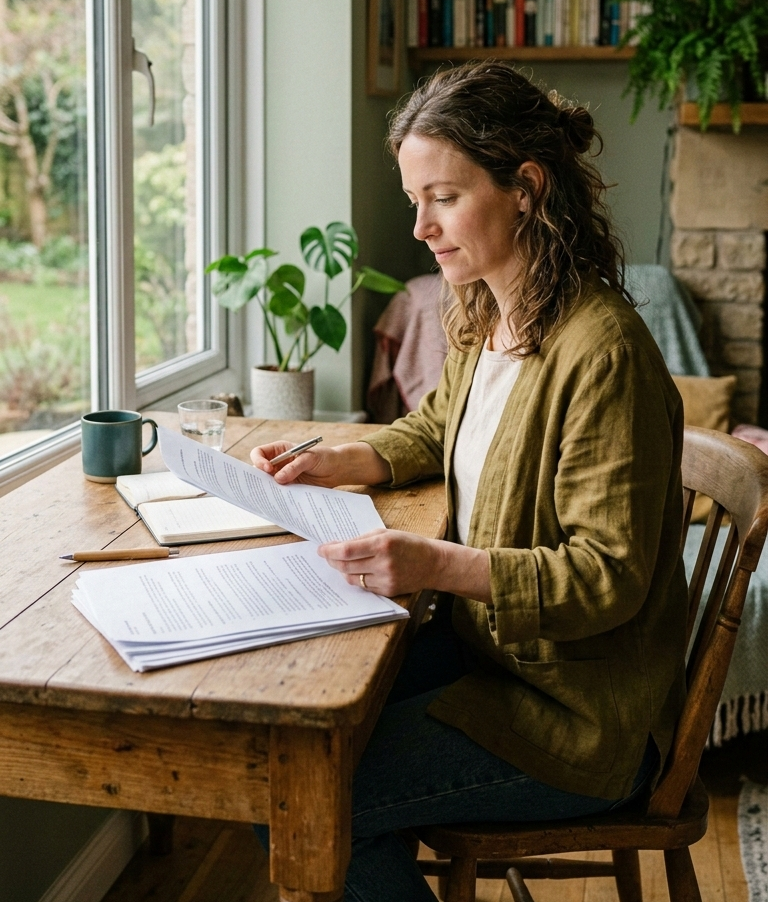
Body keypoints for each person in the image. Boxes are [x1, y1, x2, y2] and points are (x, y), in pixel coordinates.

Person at [251, 62, 689, 901]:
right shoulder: (491, 310)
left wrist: (434, 565)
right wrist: (347, 458)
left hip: (577, 717)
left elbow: (609, 577)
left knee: (299, 801)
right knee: (287, 751)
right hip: (492, 656)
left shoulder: (603, 353)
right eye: (416, 200)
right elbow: (437, 426)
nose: (421, 227)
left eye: (444, 199)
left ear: (525, 188)